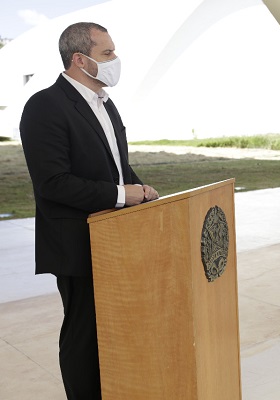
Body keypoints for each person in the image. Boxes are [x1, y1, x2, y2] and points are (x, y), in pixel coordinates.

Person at [19, 22, 159, 399]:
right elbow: (53, 183)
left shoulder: (105, 104)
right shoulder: (44, 106)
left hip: (116, 240)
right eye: (107, 54)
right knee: (85, 335)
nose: (115, 61)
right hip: (77, 243)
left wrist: (141, 189)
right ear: (80, 59)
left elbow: (116, 167)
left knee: (116, 329)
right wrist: (120, 194)